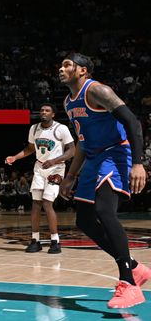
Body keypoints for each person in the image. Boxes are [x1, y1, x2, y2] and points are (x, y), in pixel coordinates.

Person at [59, 53, 150, 308]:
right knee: (84, 220)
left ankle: (128, 283)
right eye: (61, 64)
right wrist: (71, 176)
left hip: (116, 152)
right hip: (94, 157)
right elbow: (83, 143)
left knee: (104, 211)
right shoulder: (68, 102)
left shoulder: (97, 90)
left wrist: (138, 163)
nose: (61, 68)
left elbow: (133, 121)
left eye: (67, 64)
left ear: (83, 71)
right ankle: (134, 267)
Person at [5, 103, 75, 254]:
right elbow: (30, 149)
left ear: (53, 114)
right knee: (36, 204)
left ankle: (55, 241)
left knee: (47, 202)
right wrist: (15, 157)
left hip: (56, 168)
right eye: (42, 110)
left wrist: (55, 160)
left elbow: (72, 151)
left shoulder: (61, 129)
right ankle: (35, 240)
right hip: (39, 168)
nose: (43, 112)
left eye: (47, 110)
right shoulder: (34, 128)